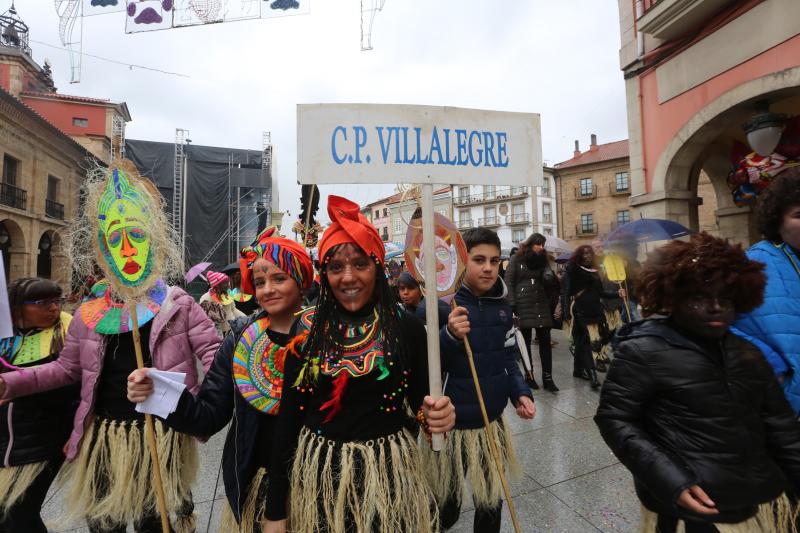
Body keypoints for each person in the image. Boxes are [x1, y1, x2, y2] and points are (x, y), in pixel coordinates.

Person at [0, 163, 222, 532]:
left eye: (135, 235)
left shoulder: (178, 304)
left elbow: (217, 360)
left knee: (159, 523)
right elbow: (68, 370)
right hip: (104, 439)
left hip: (161, 437)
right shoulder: (90, 312)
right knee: (105, 523)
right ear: (103, 249)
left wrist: (192, 406)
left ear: (152, 240)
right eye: (115, 240)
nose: (127, 249)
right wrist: (13, 384)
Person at [263, 195, 455, 533]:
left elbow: (422, 405)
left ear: (377, 267)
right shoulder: (305, 331)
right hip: (321, 480)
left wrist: (437, 416)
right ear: (324, 274)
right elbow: (289, 418)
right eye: (336, 267)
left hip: (390, 478)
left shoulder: (405, 327)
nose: (348, 277)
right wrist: (276, 509)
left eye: (360, 264)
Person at [595, 232, 800, 533]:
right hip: (683, 511)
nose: (716, 307)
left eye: (725, 298)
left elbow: (782, 428)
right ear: (674, 297)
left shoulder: (749, 355)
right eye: (700, 297)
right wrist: (671, 480)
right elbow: (615, 418)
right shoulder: (642, 351)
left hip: (750, 504)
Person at [127, 228, 314, 532]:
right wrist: (160, 391)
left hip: (318, 477)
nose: (268, 290)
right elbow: (209, 416)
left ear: (302, 280)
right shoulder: (240, 339)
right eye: (259, 282)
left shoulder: (326, 336)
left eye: (279, 279)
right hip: (255, 478)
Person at [422, 227, 535, 533]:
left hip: (491, 424)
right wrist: (449, 335)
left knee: (490, 503)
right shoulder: (439, 305)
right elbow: (424, 364)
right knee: (445, 506)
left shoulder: (502, 306)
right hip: (452, 428)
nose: (488, 268)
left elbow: (508, 358)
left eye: (495, 261)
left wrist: (520, 393)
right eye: (479, 259)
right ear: (462, 261)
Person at [0, 278, 78, 532]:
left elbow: (75, 384)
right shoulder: (5, 336)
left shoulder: (68, 331)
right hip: (5, 442)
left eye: (56, 301)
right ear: (16, 307)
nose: (53, 308)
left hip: (43, 441)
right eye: (42, 302)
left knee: (18, 514)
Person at [732, 169, 800, 415]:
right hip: (784, 409)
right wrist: (772, 367)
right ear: (777, 220)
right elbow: (722, 324)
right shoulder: (751, 263)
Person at [561, 245, 623, 389]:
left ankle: (577, 370)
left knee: (583, 341)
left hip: (596, 310)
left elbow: (601, 293)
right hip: (580, 310)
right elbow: (565, 293)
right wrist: (565, 314)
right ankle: (593, 376)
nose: (587, 256)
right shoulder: (572, 269)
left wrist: (617, 294)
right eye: (584, 253)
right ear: (579, 255)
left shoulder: (595, 271)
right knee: (587, 343)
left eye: (590, 253)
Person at [504, 233, 561, 392]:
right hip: (523, 303)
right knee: (525, 341)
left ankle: (548, 378)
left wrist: (550, 277)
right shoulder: (516, 258)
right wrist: (512, 304)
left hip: (541, 302)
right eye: (538, 244)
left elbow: (549, 277)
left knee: (545, 341)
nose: (541, 247)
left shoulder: (544, 260)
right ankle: (529, 376)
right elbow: (509, 280)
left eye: (543, 244)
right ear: (530, 244)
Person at [199, 270, 245, 337]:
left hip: (233, 329)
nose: (228, 285)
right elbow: (205, 320)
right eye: (225, 283)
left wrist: (245, 318)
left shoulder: (228, 294)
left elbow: (233, 310)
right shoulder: (205, 298)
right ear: (217, 285)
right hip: (218, 333)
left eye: (227, 282)